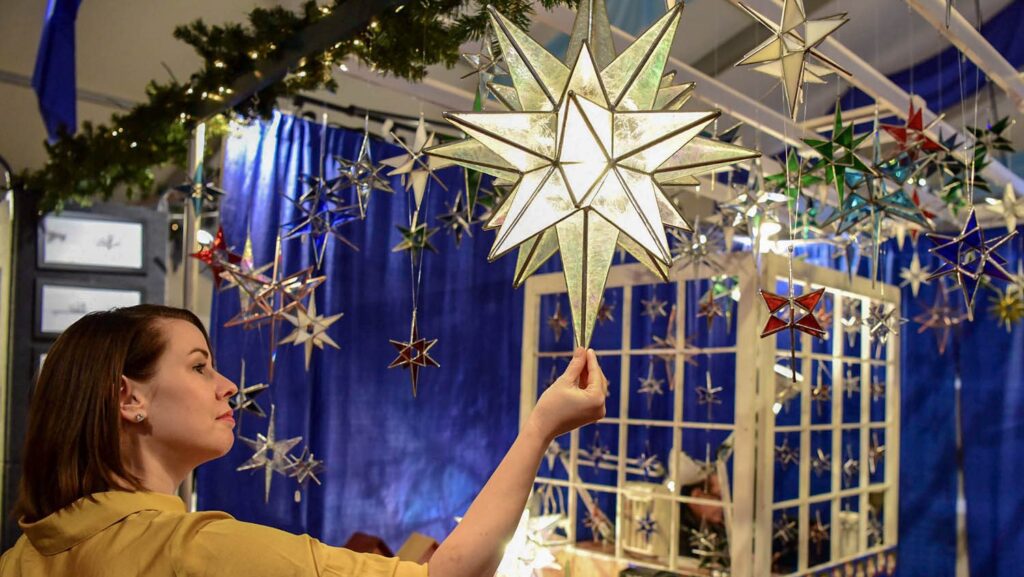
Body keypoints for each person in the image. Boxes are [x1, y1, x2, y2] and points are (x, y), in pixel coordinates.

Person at [0, 305, 608, 576]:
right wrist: (540, 428)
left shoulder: (22, 559)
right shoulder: (195, 553)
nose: (228, 386)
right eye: (199, 366)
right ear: (128, 398)